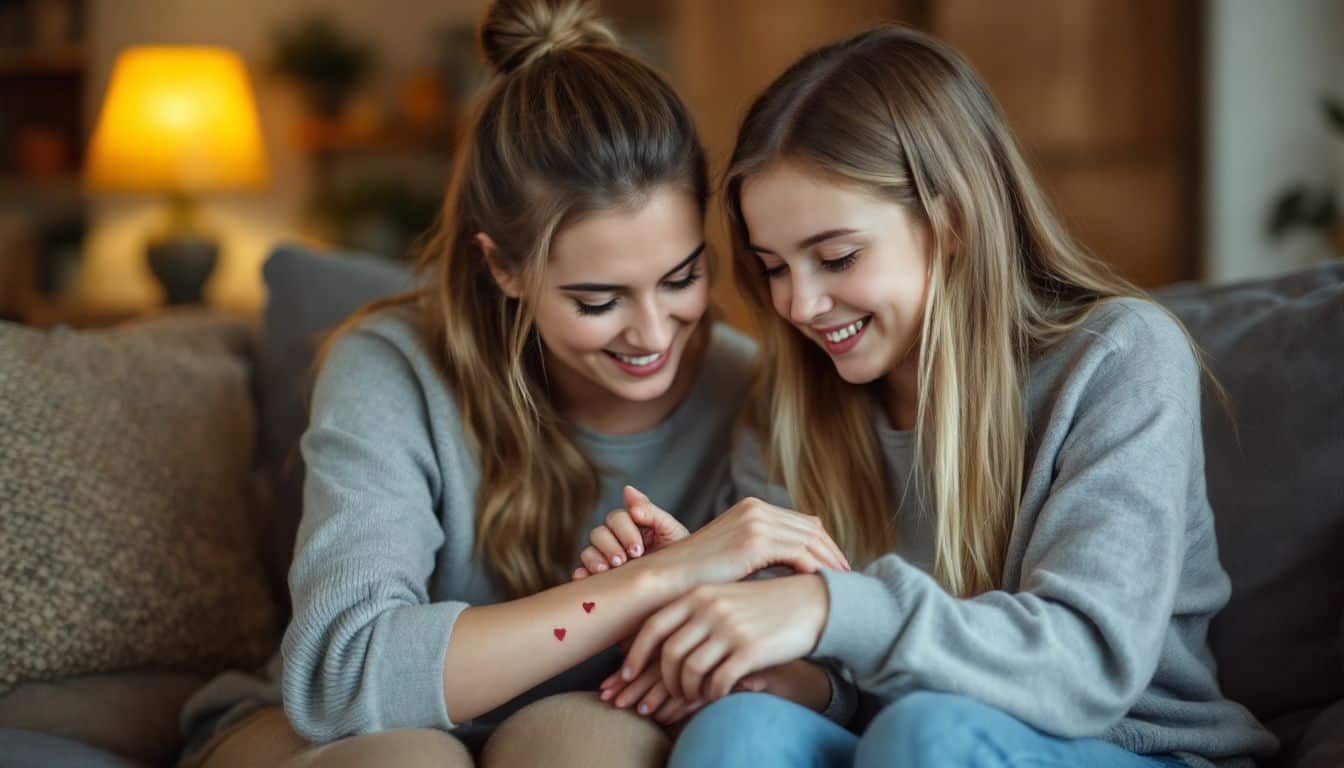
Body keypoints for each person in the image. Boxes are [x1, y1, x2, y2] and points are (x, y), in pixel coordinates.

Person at [174, 2, 848, 766]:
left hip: (581, 723)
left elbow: (827, 675)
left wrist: (728, 633)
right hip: (337, 734)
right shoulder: (390, 366)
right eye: (598, 301)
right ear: (503, 267)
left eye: (682, 278)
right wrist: (651, 582)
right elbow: (339, 676)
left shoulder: (757, 392)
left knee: (582, 745)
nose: (655, 333)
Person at [588, 24, 1278, 768]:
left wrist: (826, 607)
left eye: (835, 257)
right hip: (895, 740)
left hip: (1127, 748)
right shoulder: (789, 412)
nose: (799, 304)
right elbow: (851, 692)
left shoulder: (1120, 360)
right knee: (739, 732)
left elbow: (1088, 668)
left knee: (928, 733)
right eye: (774, 267)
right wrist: (709, 627)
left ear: (950, 221)